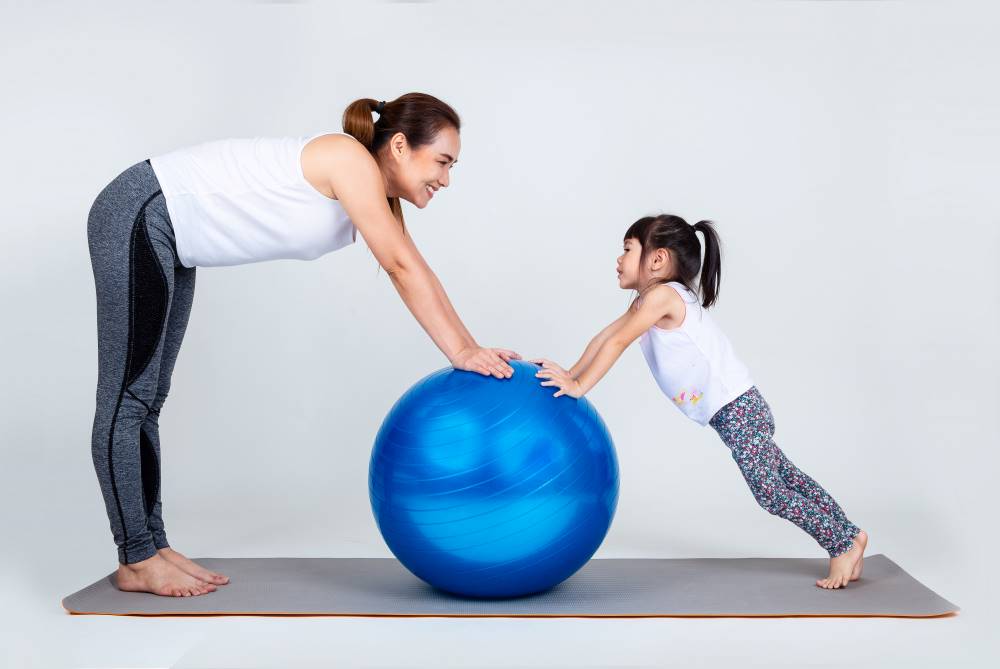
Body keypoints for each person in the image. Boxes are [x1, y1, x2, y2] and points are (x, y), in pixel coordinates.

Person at [87, 93, 521, 597]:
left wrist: (469, 348)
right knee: (127, 399)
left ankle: (152, 545)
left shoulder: (376, 192)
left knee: (149, 398)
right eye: (442, 162)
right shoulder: (348, 160)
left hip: (174, 237)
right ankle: (135, 557)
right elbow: (402, 268)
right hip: (141, 212)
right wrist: (462, 352)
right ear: (400, 146)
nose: (445, 179)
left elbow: (410, 265)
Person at [531, 214, 867, 589]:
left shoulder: (662, 296)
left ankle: (840, 544)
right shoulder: (648, 300)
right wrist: (571, 373)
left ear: (656, 260)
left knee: (771, 492)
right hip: (738, 406)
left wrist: (579, 387)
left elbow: (617, 343)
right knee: (785, 478)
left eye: (627, 250)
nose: (619, 259)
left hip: (736, 408)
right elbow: (605, 336)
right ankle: (850, 535)